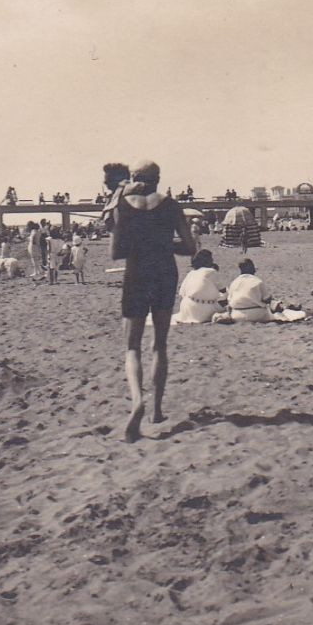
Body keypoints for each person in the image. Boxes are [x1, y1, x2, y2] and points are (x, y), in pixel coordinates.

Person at [110, 159, 196, 441]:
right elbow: (190, 247)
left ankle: (137, 401)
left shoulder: (123, 204)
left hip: (137, 272)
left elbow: (116, 251)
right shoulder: (171, 205)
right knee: (159, 343)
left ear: (135, 178)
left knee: (131, 347)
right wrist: (162, 242)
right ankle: (157, 410)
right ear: (159, 179)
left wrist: (141, 241)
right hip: (164, 272)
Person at [173, 250, 227, 324]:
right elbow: (224, 291)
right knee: (227, 300)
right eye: (211, 259)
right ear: (208, 261)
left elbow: (182, 294)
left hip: (185, 309)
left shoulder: (191, 273)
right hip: (203, 311)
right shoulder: (211, 271)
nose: (212, 260)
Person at [226, 258, 275, 322]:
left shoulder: (234, 283)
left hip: (236, 315)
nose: (254, 270)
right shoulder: (258, 281)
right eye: (253, 267)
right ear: (249, 268)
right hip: (256, 314)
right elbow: (266, 300)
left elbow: (229, 300)